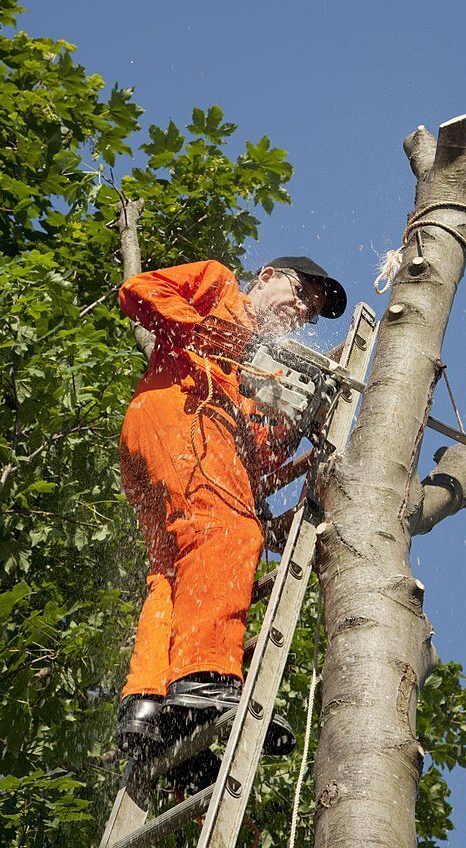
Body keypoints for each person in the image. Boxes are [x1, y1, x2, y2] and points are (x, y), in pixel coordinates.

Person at [115, 255, 347, 788]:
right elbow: (139, 289)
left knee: (173, 571)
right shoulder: (219, 286)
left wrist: (297, 426)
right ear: (267, 277)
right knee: (230, 531)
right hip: (175, 414)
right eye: (301, 294)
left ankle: (151, 707)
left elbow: (255, 462)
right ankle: (204, 678)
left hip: (167, 439)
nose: (302, 311)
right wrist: (215, 334)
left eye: (310, 310)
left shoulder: (251, 375)